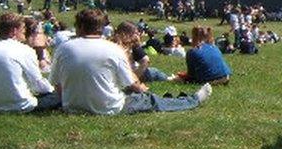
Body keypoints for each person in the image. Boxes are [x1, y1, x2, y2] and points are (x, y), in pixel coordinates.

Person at [50, 9, 210, 115]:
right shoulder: (113, 49)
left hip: (72, 107)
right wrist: (145, 92)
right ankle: (192, 100)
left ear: (80, 27)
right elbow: (131, 84)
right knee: (151, 101)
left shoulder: (63, 49)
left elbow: (57, 86)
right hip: (108, 108)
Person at [0, 12, 61, 113]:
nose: (25, 32)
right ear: (14, 31)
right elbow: (38, 83)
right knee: (58, 96)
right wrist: (53, 91)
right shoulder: (24, 50)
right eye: (23, 29)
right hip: (21, 106)